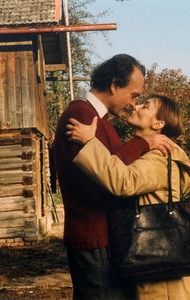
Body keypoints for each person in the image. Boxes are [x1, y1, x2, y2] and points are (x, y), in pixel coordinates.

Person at [53, 54, 172, 300]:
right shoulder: (82, 115)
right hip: (91, 237)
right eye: (134, 95)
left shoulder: (99, 121)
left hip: (101, 236)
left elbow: (109, 162)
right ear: (114, 85)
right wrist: (142, 142)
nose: (133, 104)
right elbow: (108, 173)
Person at [67, 95, 190, 300]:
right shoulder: (151, 152)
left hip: (162, 276)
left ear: (158, 123)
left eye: (145, 106)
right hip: (153, 261)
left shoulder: (161, 156)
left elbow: (123, 181)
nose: (135, 106)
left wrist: (90, 143)